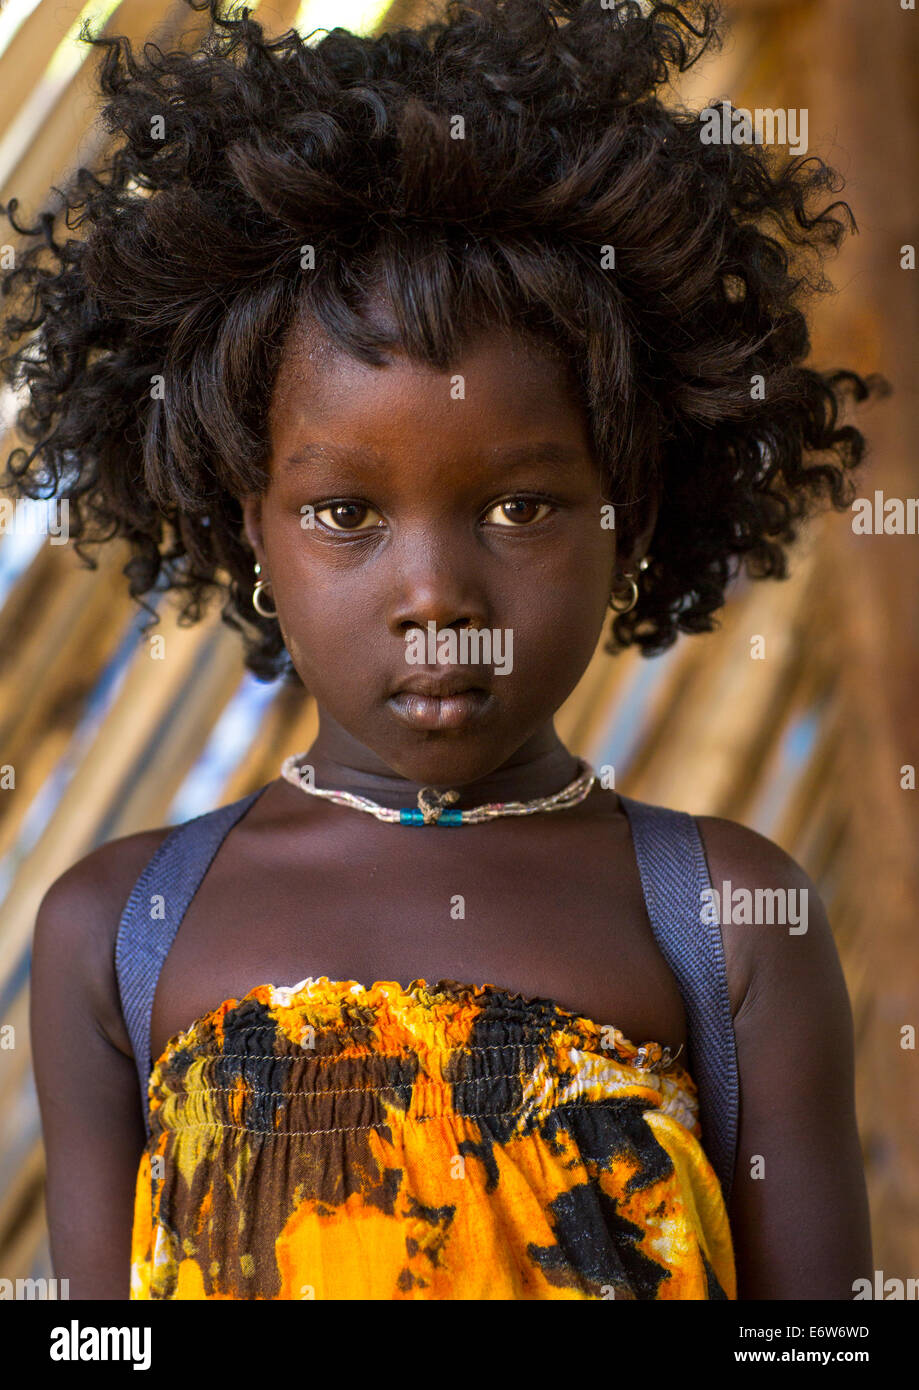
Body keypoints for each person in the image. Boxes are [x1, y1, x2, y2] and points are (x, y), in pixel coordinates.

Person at [2, 0, 881, 1300]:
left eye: (521, 506)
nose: (434, 591)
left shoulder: (727, 925)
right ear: (252, 526)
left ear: (626, 511)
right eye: (345, 512)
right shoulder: (119, 933)